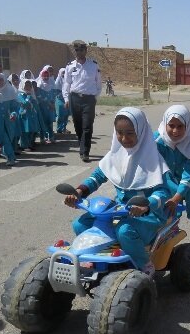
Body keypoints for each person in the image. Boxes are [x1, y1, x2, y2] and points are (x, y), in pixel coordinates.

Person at [63, 107, 175, 277]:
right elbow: (97, 177)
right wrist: (79, 191)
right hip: (120, 210)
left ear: (141, 131)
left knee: (124, 231)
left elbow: (162, 193)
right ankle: (96, 256)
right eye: (119, 133)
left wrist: (146, 206)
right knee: (80, 224)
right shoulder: (115, 154)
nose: (124, 138)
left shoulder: (153, 159)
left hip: (148, 215)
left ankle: (144, 264)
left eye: (130, 133)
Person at [154, 105, 190, 253]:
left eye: (180, 126)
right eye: (171, 125)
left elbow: (189, 172)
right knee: (169, 214)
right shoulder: (156, 141)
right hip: (167, 181)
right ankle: (166, 245)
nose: (175, 131)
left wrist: (179, 196)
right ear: (165, 123)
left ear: (187, 126)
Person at [62, 40, 102, 162]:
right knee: (78, 125)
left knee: (87, 126)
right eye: (77, 50)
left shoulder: (93, 65)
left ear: (86, 51)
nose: (79, 52)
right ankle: (82, 145)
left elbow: (98, 83)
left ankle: (85, 152)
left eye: (81, 50)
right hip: (74, 98)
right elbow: (66, 84)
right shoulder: (70, 66)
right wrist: (66, 98)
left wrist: (95, 97)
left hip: (89, 99)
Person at [17, 79, 41, 151]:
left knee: (31, 130)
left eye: (29, 85)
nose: (28, 87)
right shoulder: (20, 95)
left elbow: (35, 104)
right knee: (25, 131)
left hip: (31, 115)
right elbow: (25, 104)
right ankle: (24, 145)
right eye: (26, 85)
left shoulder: (31, 94)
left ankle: (30, 144)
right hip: (24, 116)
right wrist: (28, 97)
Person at [54, 68, 70, 134]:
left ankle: (64, 128)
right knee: (60, 115)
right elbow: (55, 91)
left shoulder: (67, 80)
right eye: (62, 72)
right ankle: (59, 129)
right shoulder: (57, 82)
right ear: (60, 73)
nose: (64, 74)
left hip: (67, 99)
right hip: (60, 100)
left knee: (66, 114)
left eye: (65, 72)